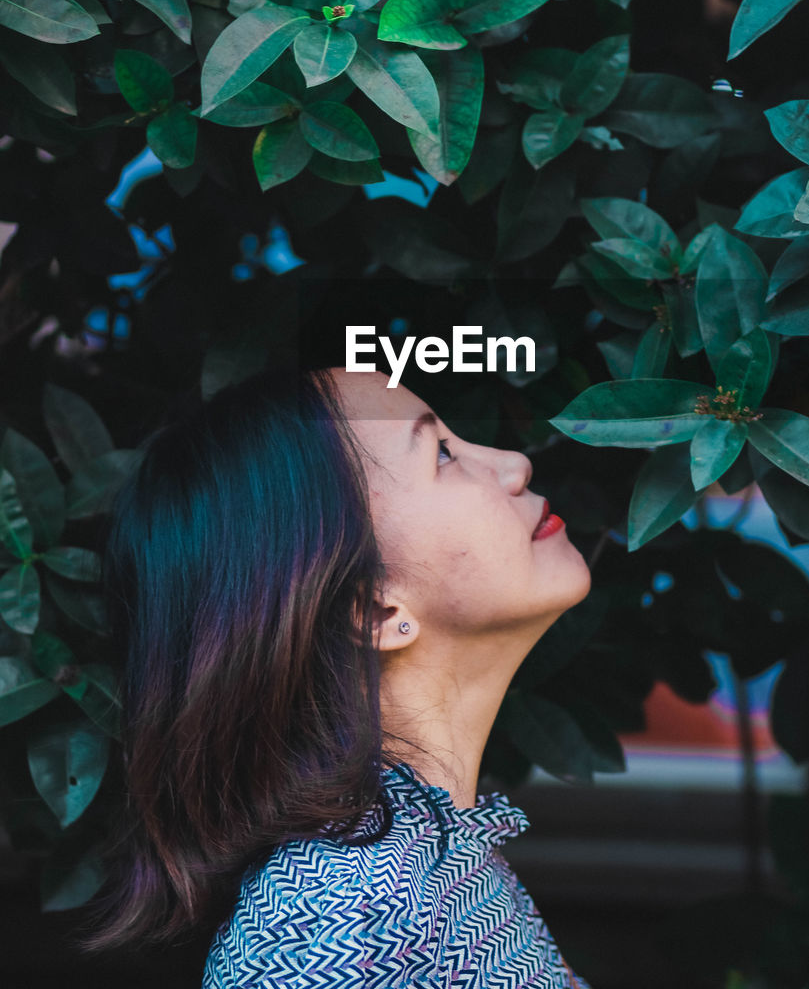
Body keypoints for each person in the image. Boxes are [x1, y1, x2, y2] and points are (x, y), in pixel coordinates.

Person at [76, 363, 594, 987]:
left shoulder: (434, 851)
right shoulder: (340, 921)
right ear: (372, 607)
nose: (514, 463)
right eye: (444, 455)